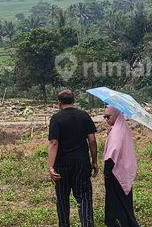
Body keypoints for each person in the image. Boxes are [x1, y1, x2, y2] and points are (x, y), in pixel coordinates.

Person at [48, 90, 98, 227]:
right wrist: (94, 161)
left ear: (59, 103)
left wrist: (50, 166)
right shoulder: (84, 116)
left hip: (61, 165)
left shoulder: (56, 118)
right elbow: (92, 140)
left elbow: (54, 143)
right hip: (82, 163)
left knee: (63, 199)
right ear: (74, 101)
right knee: (84, 198)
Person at [102, 106, 140, 227]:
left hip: (115, 171)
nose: (106, 120)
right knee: (124, 200)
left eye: (108, 117)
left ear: (117, 115)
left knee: (116, 200)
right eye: (104, 117)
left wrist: (107, 171)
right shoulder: (121, 128)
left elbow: (114, 151)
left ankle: (118, 222)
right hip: (123, 170)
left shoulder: (117, 131)